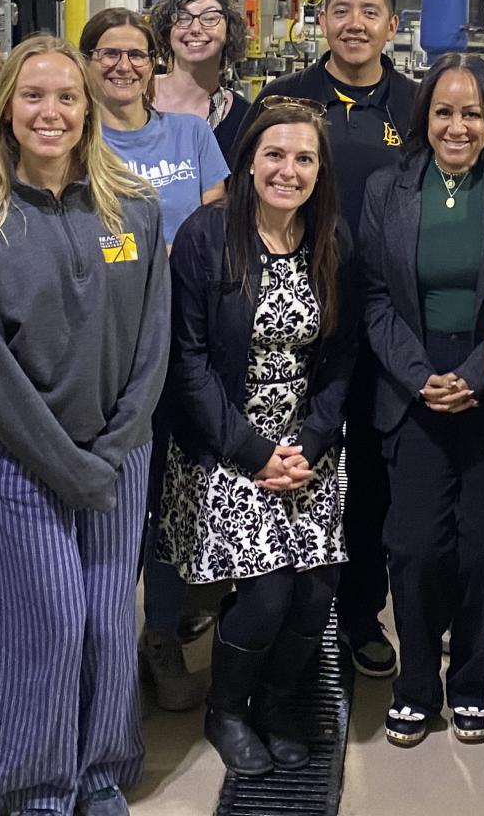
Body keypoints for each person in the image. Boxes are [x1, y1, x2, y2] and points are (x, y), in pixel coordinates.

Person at [0, 35, 170, 816]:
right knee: (44, 624)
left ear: (89, 110)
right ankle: (31, 789)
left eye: (66, 97)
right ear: (6, 110)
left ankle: (101, 772)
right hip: (19, 460)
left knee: (109, 622)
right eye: (33, 96)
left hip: (119, 456)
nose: (51, 112)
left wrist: (112, 448)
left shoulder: (134, 206)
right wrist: (64, 462)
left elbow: (153, 338)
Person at [158, 100, 357, 777]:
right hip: (226, 447)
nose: (288, 170)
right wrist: (252, 452)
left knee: (316, 589)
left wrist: (311, 443)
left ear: (320, 170)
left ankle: (275, 700)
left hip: (307, 447)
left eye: (304, 158)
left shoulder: (332, 237)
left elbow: (343, 359)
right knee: (269, 592)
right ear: (247, 160)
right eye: (275, 154)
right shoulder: (206, 236)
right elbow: (185, 361)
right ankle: (229, 709)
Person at [359, 53, 484, 747]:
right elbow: (374, 297)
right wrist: (419, 376)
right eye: (444, 111)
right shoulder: (388, 187)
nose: (457, 125)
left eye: (472, 112)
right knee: (412, 548)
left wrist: (475, 373)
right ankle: (414, 685)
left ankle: (472, 683)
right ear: (425, 117)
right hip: (411, 389)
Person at [260, 0, 417, 678]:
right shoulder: (283, 99)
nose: (355, 23)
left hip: (382, 320)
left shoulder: (416, 108)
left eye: (370, 12)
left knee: (375, 483)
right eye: (341, 10)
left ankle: (358, 614)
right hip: (290, 322)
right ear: (320, 20)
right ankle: (272, 608)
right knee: (286, 462)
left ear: (392, 24)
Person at [82, 5, 228, 714]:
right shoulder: (75, 140)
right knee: (109, 501)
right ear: (88, 63)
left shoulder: (192, 134)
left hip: (186, 346)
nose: (123, 66)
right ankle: (102, 639)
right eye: (108, 53)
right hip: (103, 349)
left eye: (135, 54)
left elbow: (215, 231)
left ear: (154, 63)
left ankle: (160, 632)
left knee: (172, 498)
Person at [150, 0, 253, 158]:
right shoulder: (138, 97)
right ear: (167, 32)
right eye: (182, 18)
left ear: (229, 31)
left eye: (210, 18)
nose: (195, 28)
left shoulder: (244, 118)